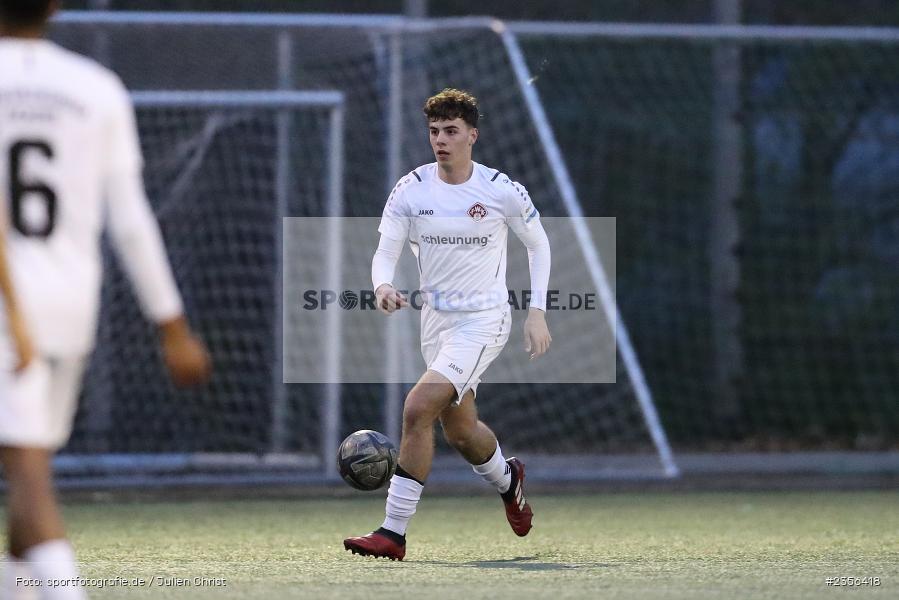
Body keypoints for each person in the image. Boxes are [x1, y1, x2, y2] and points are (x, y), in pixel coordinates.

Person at [0, 1, 211, 598]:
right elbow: (130, 220)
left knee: (29, 477)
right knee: (28, 473)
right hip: (71, 307)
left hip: (9, 309)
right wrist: (171, 325)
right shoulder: (96, 87)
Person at [344, 88, 552, 561]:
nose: (440, 139)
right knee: (461, 431)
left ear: (472, 136)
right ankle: (509, 479)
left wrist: (536, 311)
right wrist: (382, 285)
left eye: (451, 131)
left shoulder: (500, 189)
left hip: (484, 321)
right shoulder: (411, 188)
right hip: (435, 323)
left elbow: (538, 244)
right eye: (434, 131)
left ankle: (392, 533)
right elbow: (385, 251)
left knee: (417, 409)